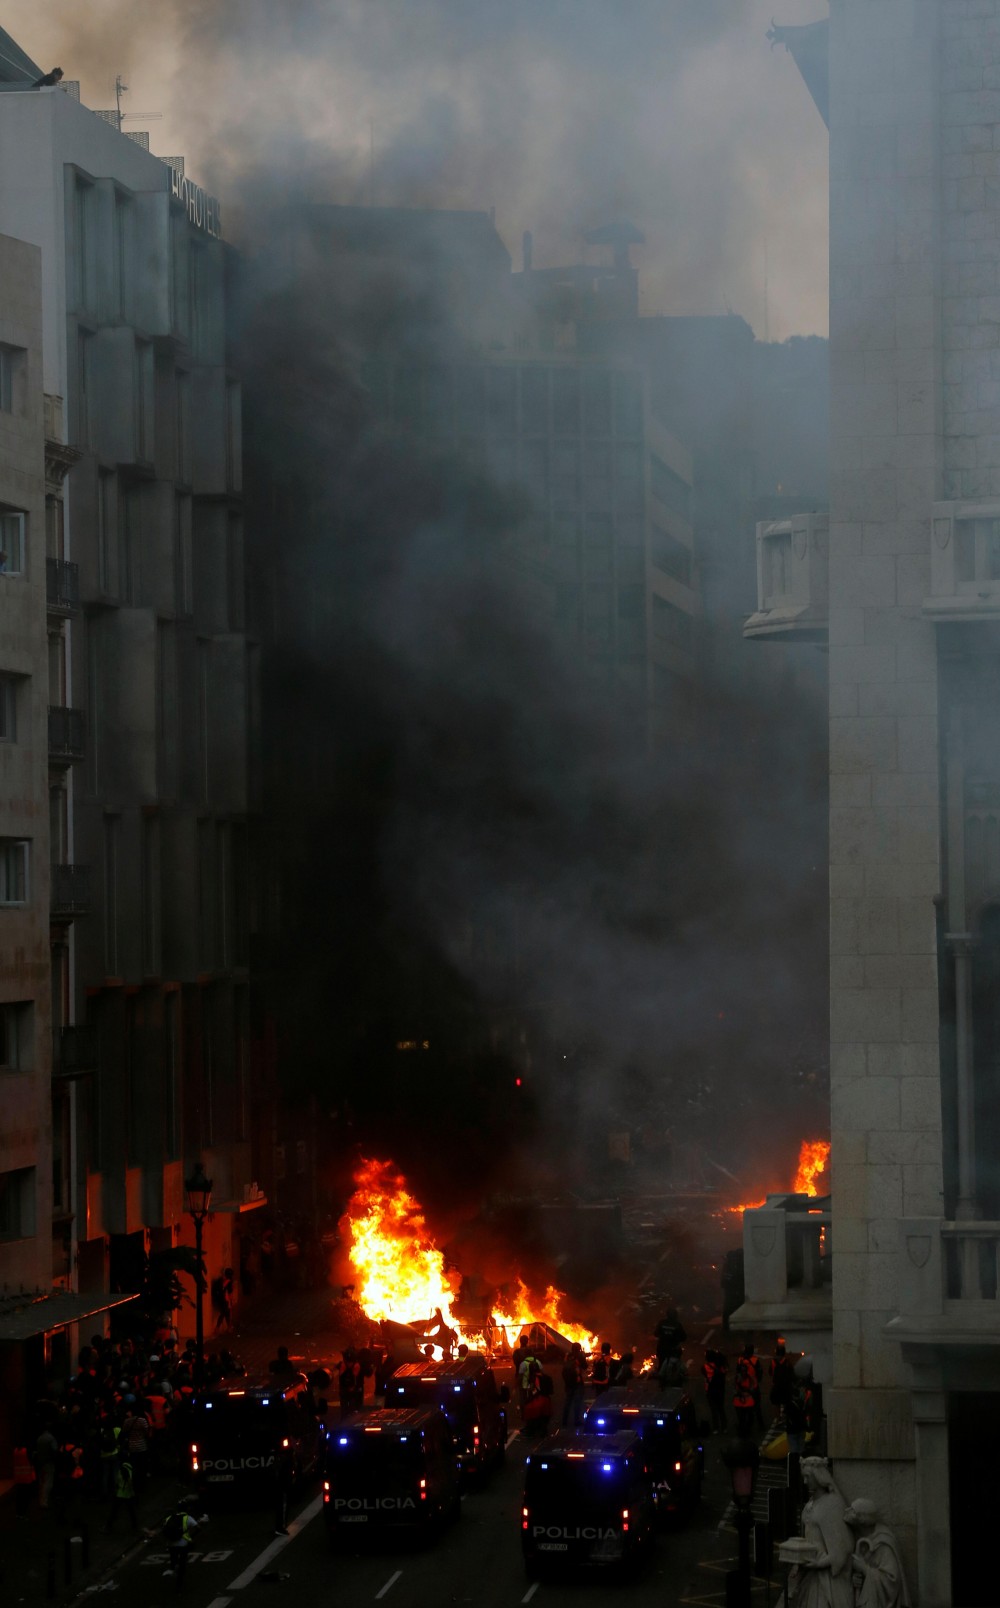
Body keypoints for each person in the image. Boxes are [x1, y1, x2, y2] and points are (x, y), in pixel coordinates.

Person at [786, 1458, 854, 1608]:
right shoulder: (811, 1503)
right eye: (803, 1477)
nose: (805, 1482)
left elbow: (843, 1547)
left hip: (826, 1578)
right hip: (810, 1571)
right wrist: (799, 1561)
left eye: (808, 1477)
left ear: (819, 1476)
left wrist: (820, 1563)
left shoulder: (832, 1504)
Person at [844, 1497, 911, 1608]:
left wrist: (864, 1569)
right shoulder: (862, 1537)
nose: (847, 1511)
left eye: (852, 1510)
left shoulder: (884, 1543)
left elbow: (892, 1580)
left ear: (862, 1519)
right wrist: (856, 1579)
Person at [163, 1505, 208, 1587]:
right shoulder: (187, 1517)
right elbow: (198, 1528)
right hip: (183, 1544)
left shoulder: (169, 1518)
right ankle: (179, 1582)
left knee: (173, 1558)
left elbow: (165, 1531)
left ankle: (172, 1568)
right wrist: (192, 1536)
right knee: (182, 1562)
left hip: (171, 1544)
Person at [105, 1453, 139, 1534]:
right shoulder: (130, 1467)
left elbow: (118, 1481)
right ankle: (135, 1526)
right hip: (129, 1493)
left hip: (121, 1493)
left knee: (114, 1511)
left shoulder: (122, 1469)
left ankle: (108, 1527)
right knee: (131, 1511)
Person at [561, 1342, 587, 1428]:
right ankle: (576, 1421)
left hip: (568, 1381)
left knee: (567, 1401)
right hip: (577, 1381)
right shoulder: (580, 1356)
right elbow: (585, 1366)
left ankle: (564, 1421)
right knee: (577, 1401)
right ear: (579, 1348)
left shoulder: (568, 1355)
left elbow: (564, 1366)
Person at [702, 1347, 728, 1433]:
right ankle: (724, 1427)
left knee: (714, 1410)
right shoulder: (720, 1366)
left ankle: (716, 1428)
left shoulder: (705, 1367)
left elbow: (704, 1374)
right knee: (721, 1409)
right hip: (720, 1390)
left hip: (710, 1390)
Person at [733, 1347, 757, 1437]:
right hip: (740, 1401)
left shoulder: (749, 1377)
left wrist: (750, 1391)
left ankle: (745, 1430)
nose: (743, 1373)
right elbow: (735, 1389)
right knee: (742, 1418)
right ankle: (743, 1431)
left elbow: (753, 1386)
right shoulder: (738, 1379)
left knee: (749, 1417)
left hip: (746, 1402)